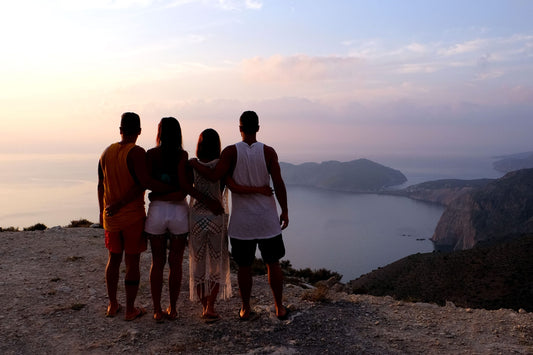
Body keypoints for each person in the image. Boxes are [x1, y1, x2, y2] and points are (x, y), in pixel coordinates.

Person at [190, 111, 289, 320]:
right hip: (267, 218)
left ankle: (245, 308)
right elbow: (278, 184)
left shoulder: (231, 152)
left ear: (240, 128)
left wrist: (193, 163)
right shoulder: (269, 152)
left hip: (242, 222)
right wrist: (285, 210)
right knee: (273, 263)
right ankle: (279, 307)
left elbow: (216, 176)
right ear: (258, 128)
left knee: (245, 266)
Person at [98, 112, 176, 321]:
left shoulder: (106, 152)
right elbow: (144, 182)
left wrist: (102, 212)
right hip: (132, 216)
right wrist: (172, 187)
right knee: (132, 261)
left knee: (113, 259)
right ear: (139, 131)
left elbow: (100, 185)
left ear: (120, 130)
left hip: (111, 218)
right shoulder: (137, 152)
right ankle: (130, 309)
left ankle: (113, 304)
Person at [144, 117, 223, 322]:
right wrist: (173, 192)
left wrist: (156, 195)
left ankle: (156, 310)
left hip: (156, 213)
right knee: (176, 264)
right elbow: (182, 191)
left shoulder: (150, 155)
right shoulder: (183, 155)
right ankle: (172, 308)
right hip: (179, 214)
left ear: (160, 132)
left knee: (157, 262)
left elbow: (147, 184)